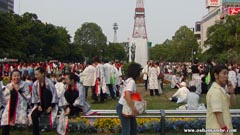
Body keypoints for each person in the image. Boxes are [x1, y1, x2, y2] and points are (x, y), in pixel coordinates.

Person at [206, 65, 236, 135]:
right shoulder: (215, 91)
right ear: (216, 75)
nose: (226, 76)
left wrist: (232, 93)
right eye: (224, 73)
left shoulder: (221, 90)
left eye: (227, 74)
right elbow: (217, 112)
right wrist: (224, 129)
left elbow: (233, 104)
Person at [0, 70, 31, 135]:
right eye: (14, 76)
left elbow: (28, 98)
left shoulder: (24, 84)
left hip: (20, 107)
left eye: (18, 76)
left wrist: (19, 90)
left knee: (21, 122)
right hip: (9, 107)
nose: (16, 77)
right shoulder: (9, 85)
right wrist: (10, 91)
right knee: (5, 122)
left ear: (20, 76)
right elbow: (4, 98)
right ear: (11, 77)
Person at [30, 67, 58, 135]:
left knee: (46, 92)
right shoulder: (35, 84)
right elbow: (35, 96)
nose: (36, 76)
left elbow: (54, 95)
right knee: (34, 115)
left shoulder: (49, 83)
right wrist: (38, 104)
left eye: (37, 74)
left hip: (50, 104)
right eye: (35, 75)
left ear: (43, 74)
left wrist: (51, 106)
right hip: (40, 104)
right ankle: (36, 133)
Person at [116, 63, 142, 135]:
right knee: (126, 131)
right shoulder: (131, 82)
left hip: (124, 106)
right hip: (124, 107)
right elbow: (127, 95)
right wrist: (133, 109)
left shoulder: (128, 80)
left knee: (133, 127)